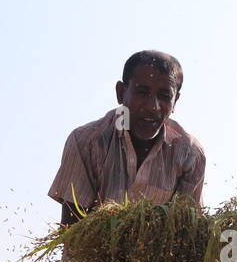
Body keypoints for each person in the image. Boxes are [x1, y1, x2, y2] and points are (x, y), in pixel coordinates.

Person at [48, 50, 206, 224]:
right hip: (95, 251)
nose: (153, 106)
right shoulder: (86, 142)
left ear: (175, 101)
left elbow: (186, 231)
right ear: (121, 93)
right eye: (142, 92)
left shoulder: (190, 155)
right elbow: (72, 231)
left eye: (164, 96)